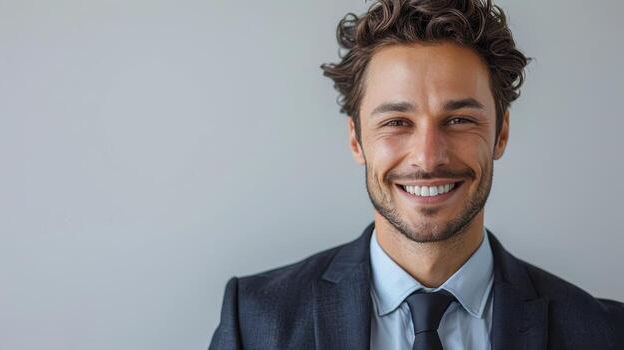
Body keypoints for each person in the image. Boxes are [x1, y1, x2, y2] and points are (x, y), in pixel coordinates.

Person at [209, 0, 624, 349]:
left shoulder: (604, 333)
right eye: (396, 122)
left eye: (459, 120)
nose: (428, 158)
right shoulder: (254, 320)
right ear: (356, 141)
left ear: (501, 134)